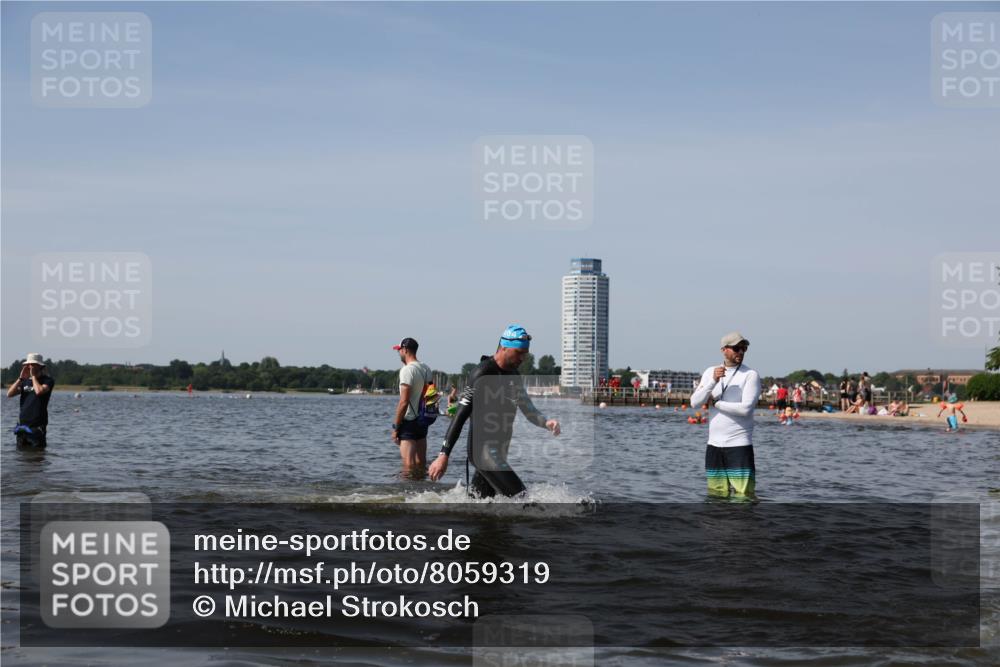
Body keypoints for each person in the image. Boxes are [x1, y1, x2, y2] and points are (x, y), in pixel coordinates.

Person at [428, 324, 560, 498]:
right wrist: (443, 455)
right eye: (519, 352)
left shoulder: (514, 375)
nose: (523, 358)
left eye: (525, 353)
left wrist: (546, 422)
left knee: (480, 504)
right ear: (504, 347)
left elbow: (528, 409)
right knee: (522, 499)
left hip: (500, 452)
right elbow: (460, 415)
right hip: (483, 452)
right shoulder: (482, 373)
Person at [690, 332, 762, 497]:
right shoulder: (710, 372)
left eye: (744, 349)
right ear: (724, 350)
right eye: (736, 348)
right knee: (715, 496)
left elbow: (746, 409)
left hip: (739, 445)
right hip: (714, 446)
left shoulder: (750, 375)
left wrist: (716, 403)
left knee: (744, 497)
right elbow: (695, 402)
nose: (741, 352)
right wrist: (713, 381)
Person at [391, 338, 434, 476]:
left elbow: (404, 402)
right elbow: (431, 395)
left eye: (399, 350)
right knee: (421, 462)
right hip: (423, 419)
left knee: (408, 465)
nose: (399, 353)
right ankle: (423, 486)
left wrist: (396, 428)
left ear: (405, 350)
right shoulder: (426, 368)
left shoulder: (406, 370)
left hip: (408, 421)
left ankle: (408, 489)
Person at [7, 353, 55, 448]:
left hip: (37, 426)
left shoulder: (47, 380)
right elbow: (9, 394)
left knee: (38, 454)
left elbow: (39, 391)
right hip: (22, 426)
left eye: (33, 364)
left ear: (40, 366)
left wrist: (33, 377)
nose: (30, 367)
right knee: (21, 455)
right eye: (28, 365)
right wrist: (20, 378)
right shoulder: (25, 381)